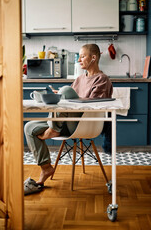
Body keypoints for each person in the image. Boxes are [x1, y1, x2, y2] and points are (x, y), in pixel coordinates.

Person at [24, 44, 113, 194]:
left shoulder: (102, 79)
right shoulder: (79, 79)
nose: (79, 60)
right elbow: (67, 98)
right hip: (66, 121)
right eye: (79, 56)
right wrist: (57, 93)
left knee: (66, 90)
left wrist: (66, 94)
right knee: (29, 128)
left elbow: (95, 107)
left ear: (94, 58)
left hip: (83, 124)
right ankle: (46, 168)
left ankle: (54, 129)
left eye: (82, 56)